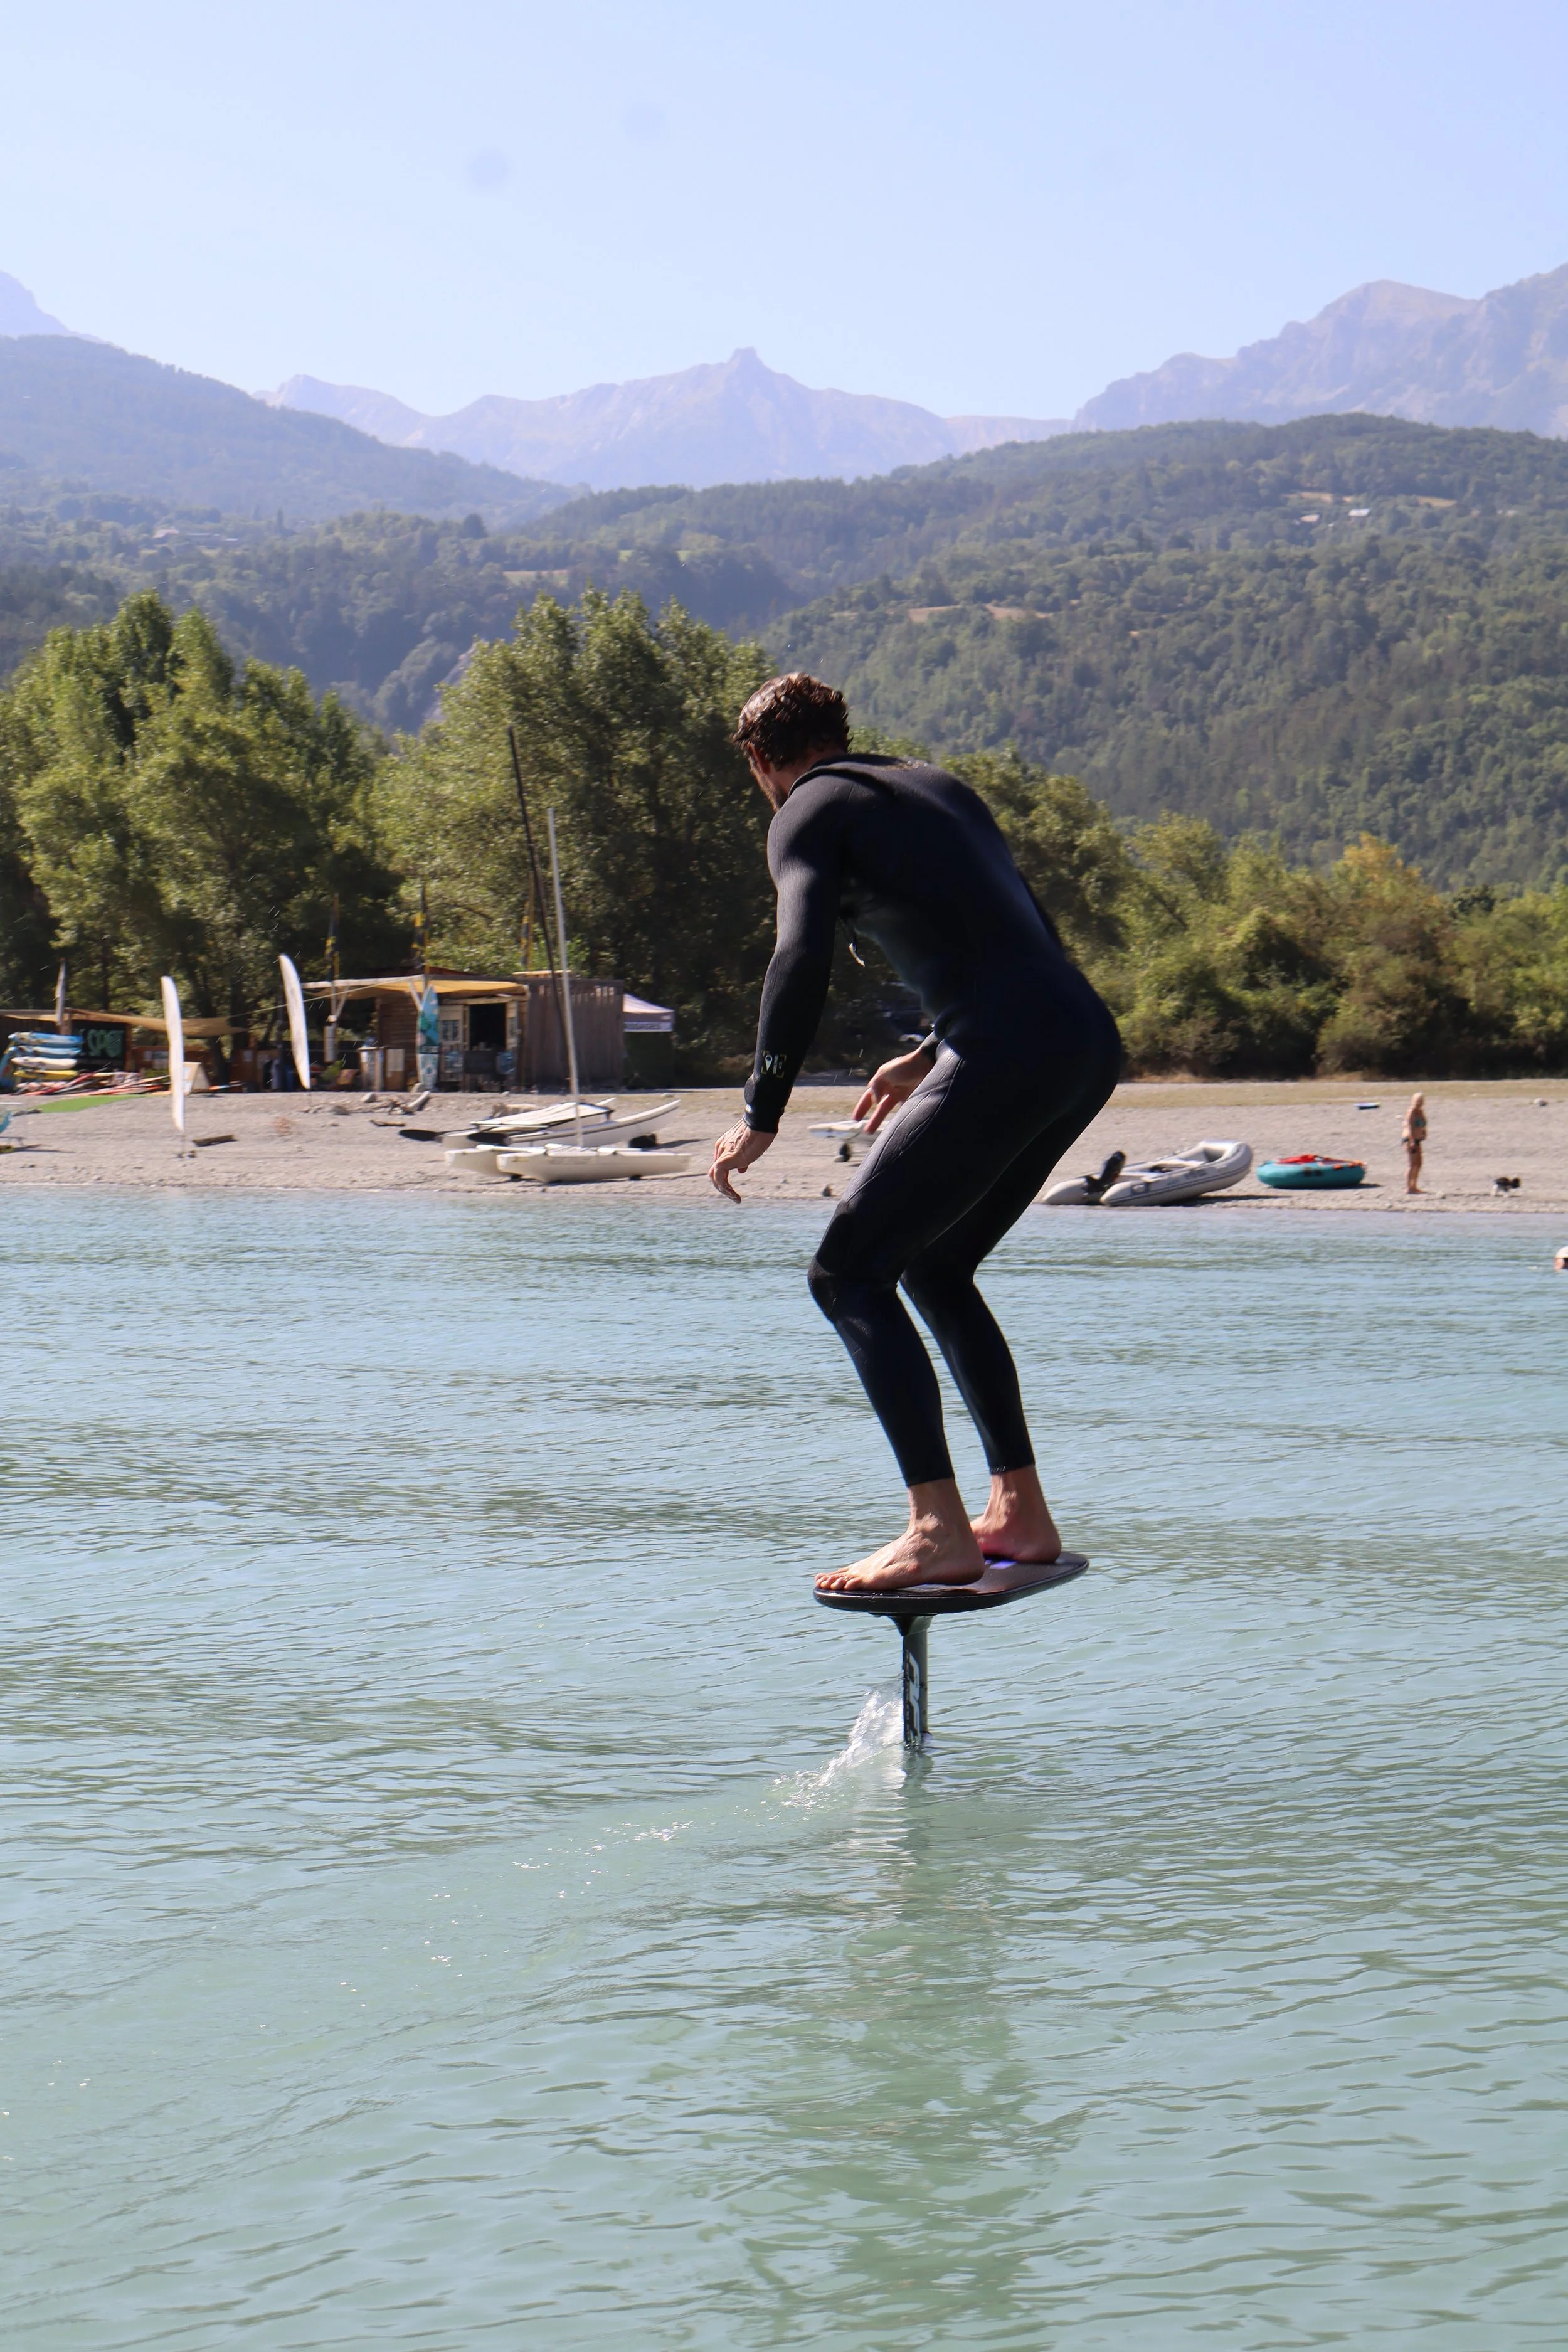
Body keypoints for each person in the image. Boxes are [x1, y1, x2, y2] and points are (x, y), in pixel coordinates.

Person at [709, 672, 1122, 1594]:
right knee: (934, 1266)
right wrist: (929, 1051)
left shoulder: (805, 809)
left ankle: (937, 1526)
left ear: (759, 761)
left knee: (846, 1271)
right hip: (1083, 1041)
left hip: (1007, 1048)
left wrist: (760, 1109)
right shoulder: (935, 785)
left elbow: (798, 955)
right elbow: (1031, 940)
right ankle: (1020, 1510)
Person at [1402, 1091, 1427, 1194]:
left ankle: (1415, 1185)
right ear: (1413, 1101)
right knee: (1412, 1164)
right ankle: (1409, 1187)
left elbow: (1423, 1124)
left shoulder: (1420, 1112)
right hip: (1410, 1140)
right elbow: (1409, 1127)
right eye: (1417, 1101)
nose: (1419, 1103)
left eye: (1421, 1101)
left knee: (1419, 1164)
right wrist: (1412, 1141)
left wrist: (1424, 1132)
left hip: (1418, 1140)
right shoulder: (1411, 1112)